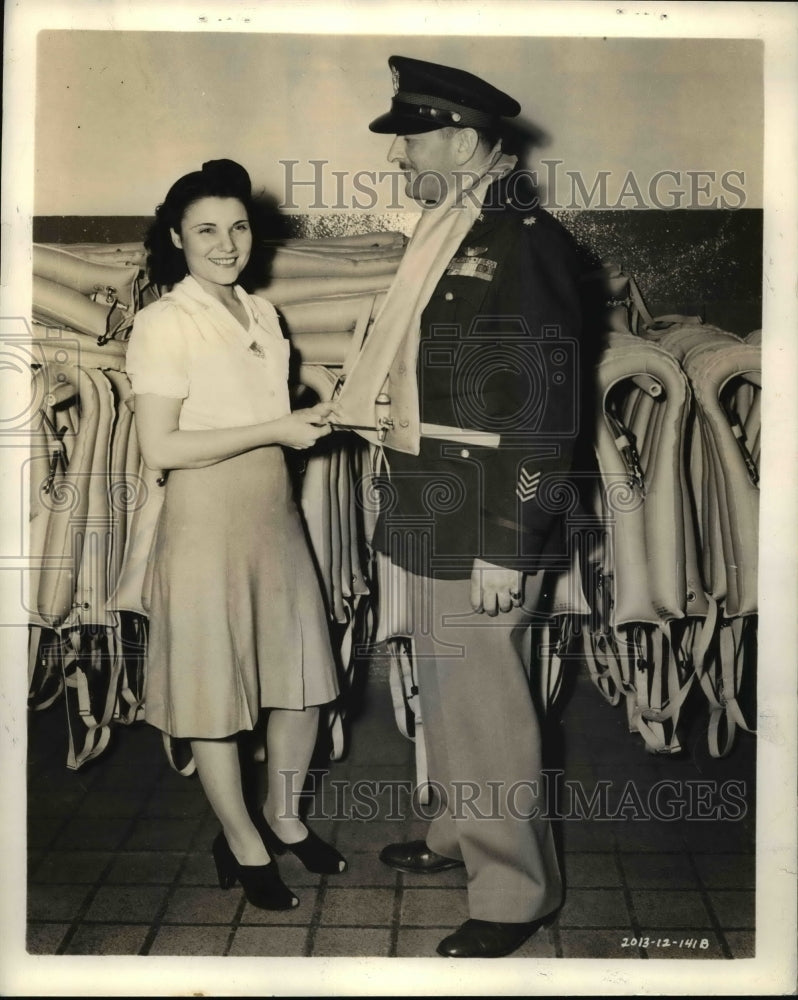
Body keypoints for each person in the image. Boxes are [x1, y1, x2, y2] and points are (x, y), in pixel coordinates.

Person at [336, 57, 583, 957]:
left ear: (465, 141)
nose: (399, 154)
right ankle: (455, 833)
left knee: (487, 703)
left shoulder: (526, 245)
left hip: (485, 518)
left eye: (412, 135)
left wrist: (511, 544)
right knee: (442, 692)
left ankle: (517, 892)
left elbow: (546, 415)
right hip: (428, 500)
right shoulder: (448, 231)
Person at [125, 158, 347, 912]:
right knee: (214, 695)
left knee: (302, 685)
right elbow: (164, 445)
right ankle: (242, 839)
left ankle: (284, 817)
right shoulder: (163, 322)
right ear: (176, 238)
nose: (227, 243)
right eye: (207, 230)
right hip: (204, 524)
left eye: (239, 226)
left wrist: (317, 393)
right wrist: (279, 427)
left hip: (272, 518)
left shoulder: (260, 312)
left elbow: (254, 387)